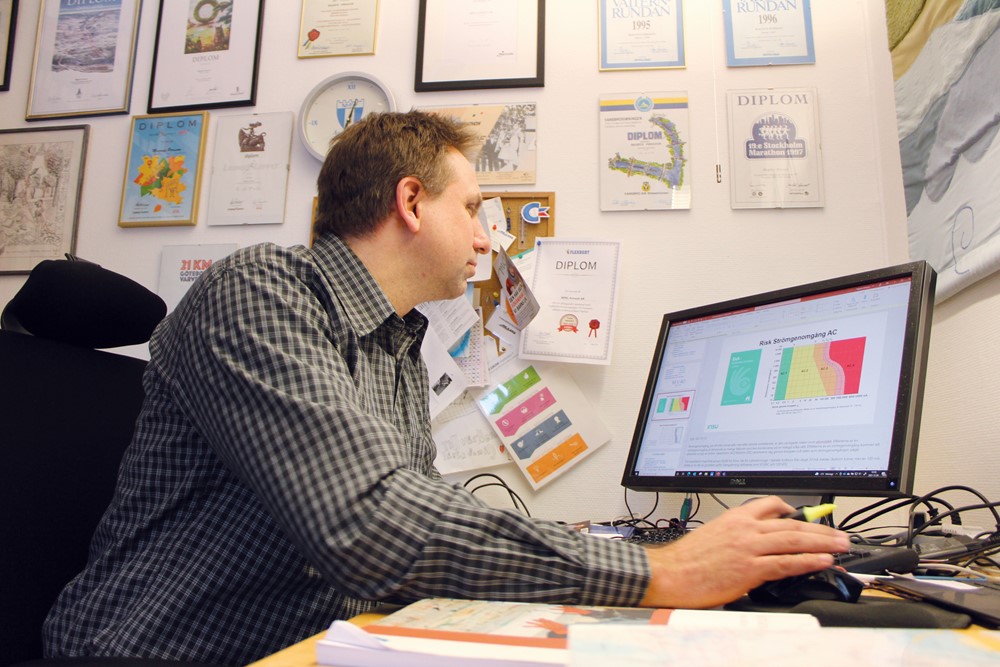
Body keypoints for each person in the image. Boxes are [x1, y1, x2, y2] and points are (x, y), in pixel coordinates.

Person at [43, 111, 848, 666]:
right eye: (473, 208)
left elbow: (417, 525)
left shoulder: (398, 346)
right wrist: (657, 571)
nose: (487, 236)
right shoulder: (260, 290)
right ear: (410, 201)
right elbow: (370, 522)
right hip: (151, 650)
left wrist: (620, 555)